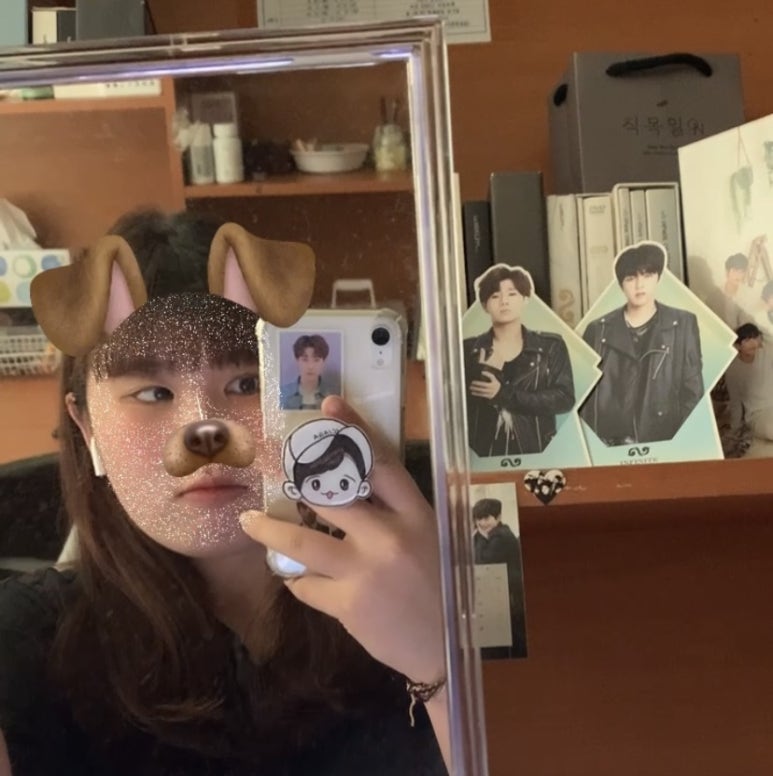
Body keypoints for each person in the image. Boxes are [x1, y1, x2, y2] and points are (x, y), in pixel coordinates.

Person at [0, 209, 449, 775]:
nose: (204, 428)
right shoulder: (27, 643)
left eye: (245, 382)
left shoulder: (428, 580)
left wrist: (441, 664)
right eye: (152, 393)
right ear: (86, 427)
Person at [580, 242, 704, 446]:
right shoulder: (598, 329)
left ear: (658, 277)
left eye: (647, 275)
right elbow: (585, 398)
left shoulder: (682, 323)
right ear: (621, 284)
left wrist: (676, 443)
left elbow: (693, 390)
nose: (639, 285)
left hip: (664, 441)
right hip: (611, 444)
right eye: (631, 278)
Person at [463, 264, 575, 457]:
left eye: (512, 294)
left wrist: (503, 394)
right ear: (484, 305)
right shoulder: (467, 349)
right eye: (495, 296)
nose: (504, 301)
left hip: (538, 452)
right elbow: (454, 406)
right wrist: (483, 372)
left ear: (525, 299)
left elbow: (564, 399)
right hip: (482, 457)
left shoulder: (550, 346)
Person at [471, 497, 526, 658]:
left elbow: (483, 563)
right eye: (479, 519)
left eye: (486, 518)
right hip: (503, 595)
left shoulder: (501, 536)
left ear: (498, 517)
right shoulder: (494, 535)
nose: (482, 523)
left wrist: (479, 536)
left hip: (509, 597)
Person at [723, 322, 773, 441]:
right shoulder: (733, 370)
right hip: (757, 415)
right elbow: (735, 403)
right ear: (738, 345)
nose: (752, 343)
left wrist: (760, 334)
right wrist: (734, 429)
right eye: (747, 340)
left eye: (755, 338)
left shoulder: (766, 353)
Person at [280, 334, 338, 410]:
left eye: (316, 360)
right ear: (297, 361)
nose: (310, 366)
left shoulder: (334, 394)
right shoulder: (282, 394)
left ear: (324, 362)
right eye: (305, 359)